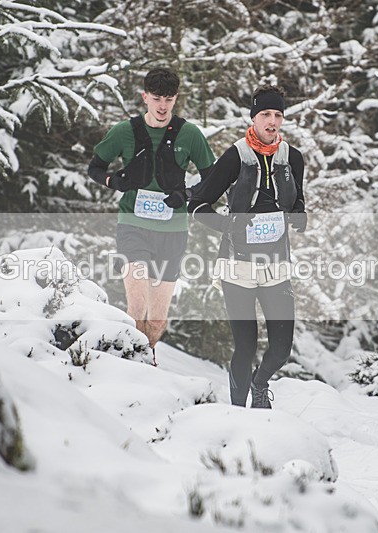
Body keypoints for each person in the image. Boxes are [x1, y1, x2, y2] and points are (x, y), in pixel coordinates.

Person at [188, 85, 307, 408]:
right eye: (265, 114)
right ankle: (238, 412)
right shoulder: (235, 156)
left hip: (276, 267)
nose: (272, 121)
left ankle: (260, 382)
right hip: (237, 267)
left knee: (281, 348)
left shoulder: (292, 158)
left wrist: (299, 215)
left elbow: (297, 201)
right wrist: (228, 224)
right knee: (245, 346)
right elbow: (198, 206)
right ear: (253, 118)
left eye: (278, 115)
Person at [88, 68, 216, 363]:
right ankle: (130, 366)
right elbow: (95, 167)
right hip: (132, 224)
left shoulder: (190, 134)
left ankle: (149, 360)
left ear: (176, 99)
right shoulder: (124, 132)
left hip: (173, 230)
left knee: (157, 321)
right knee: (137, 305)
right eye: (156, 98)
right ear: (144, 97)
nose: (162, 106)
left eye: (168, 99)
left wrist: (185, 194)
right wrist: (112, 181)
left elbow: (212, 178)